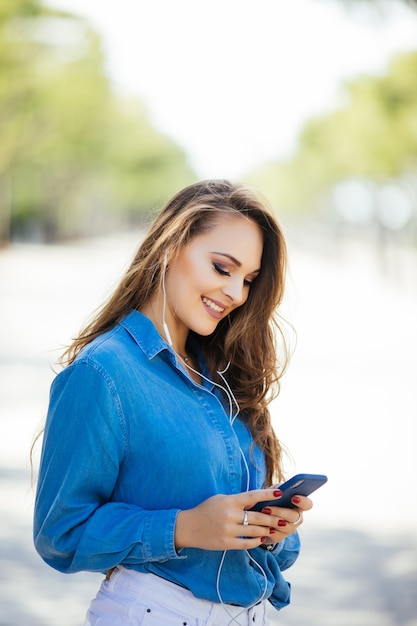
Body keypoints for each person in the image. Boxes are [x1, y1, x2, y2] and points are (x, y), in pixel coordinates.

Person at [33, 179, 313, 626]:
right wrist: (183, 528)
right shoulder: (103, 373)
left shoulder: (223, 373)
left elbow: (249, 529)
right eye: (223, 268)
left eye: (248, 280)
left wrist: (272, 529)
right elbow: (60, 533)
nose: (237, 293)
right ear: (170, 246)